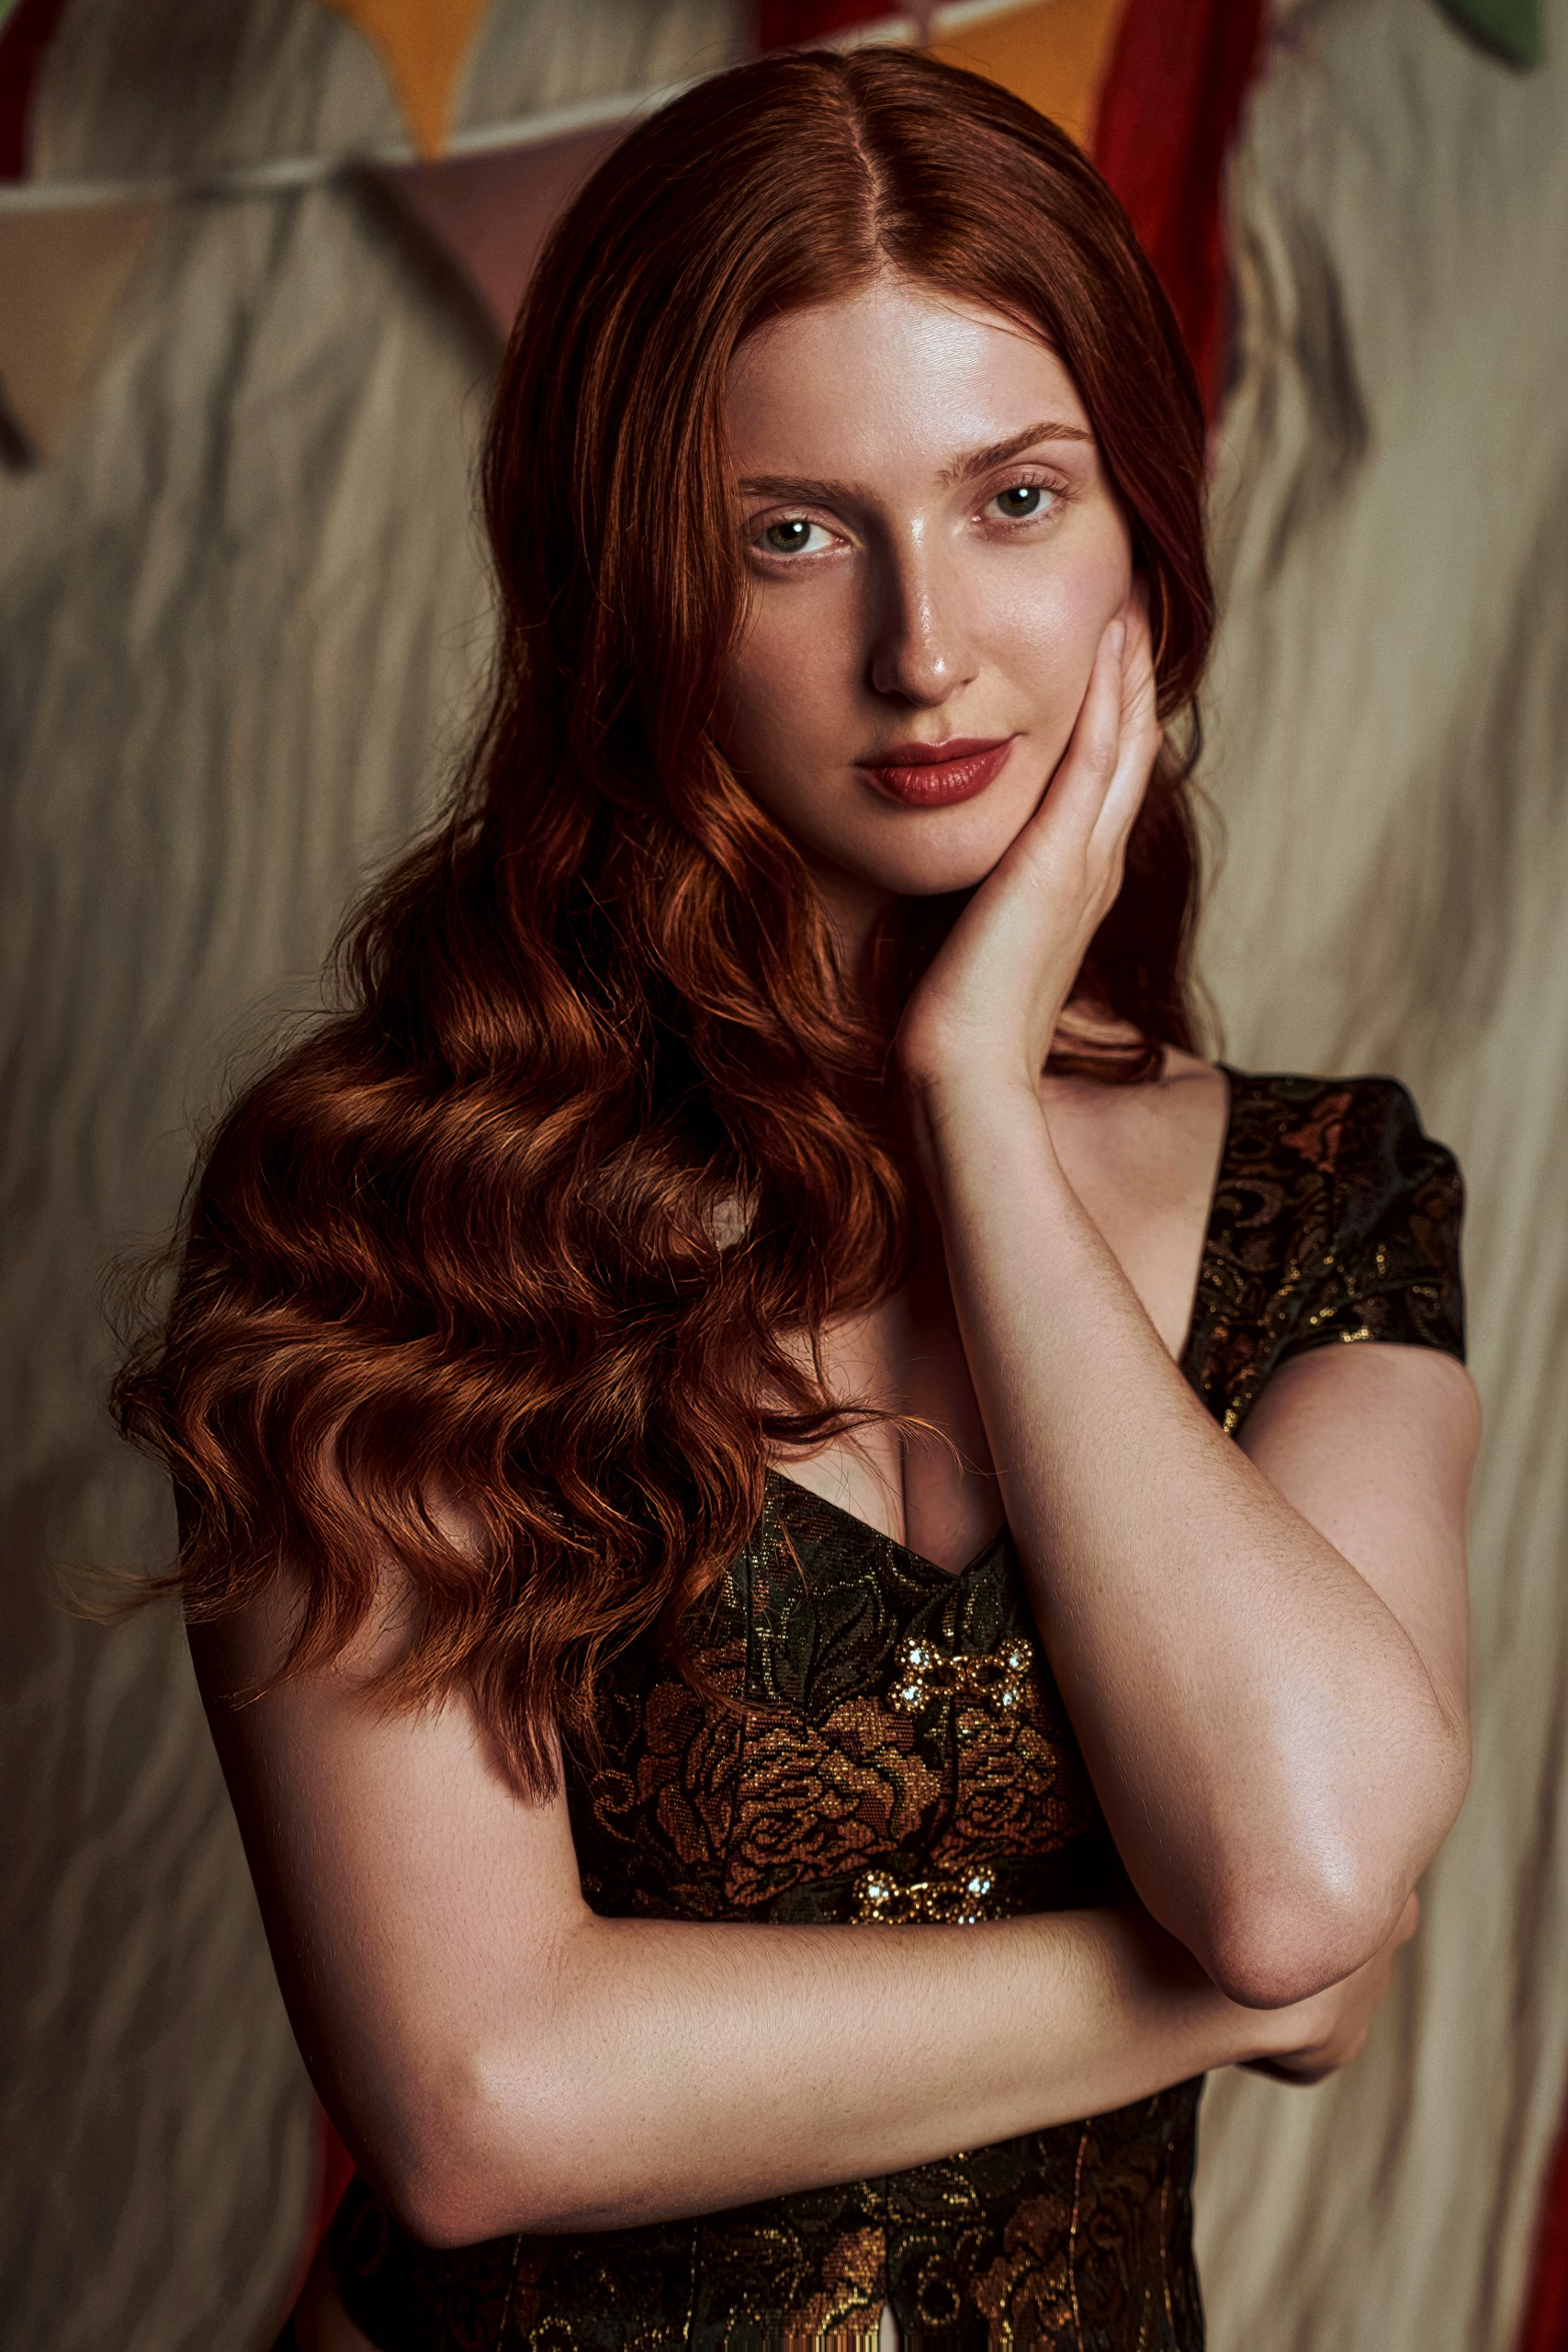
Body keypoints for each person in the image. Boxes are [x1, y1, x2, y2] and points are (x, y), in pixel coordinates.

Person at [116, 45, 1477, 2352]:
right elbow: (475, 2094)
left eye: (1015, 498)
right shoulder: (383, 1201)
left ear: (1143, 520)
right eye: (795, 529)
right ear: (631, 574)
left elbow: (1301, 1856)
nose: (925, 645)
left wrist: (968, 1091)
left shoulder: (1326, 1192)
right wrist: (1222, 1989)